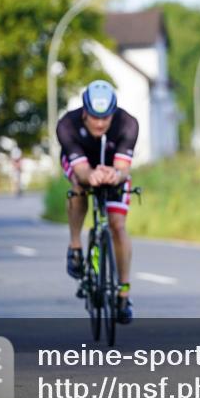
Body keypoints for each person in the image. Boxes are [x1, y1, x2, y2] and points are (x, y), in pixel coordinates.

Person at [57, 80, 139, 324]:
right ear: (85, 111)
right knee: (79, 188)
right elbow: (81, 170)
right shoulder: (66, 125)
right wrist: (89, 176)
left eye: (106, 118)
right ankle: (75, 247)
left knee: (117, 225)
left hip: (112, 168)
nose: (101, 123)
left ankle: (123, 293)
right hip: (81, 166)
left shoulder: (128, 124)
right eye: (95, 117)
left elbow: (124, 168)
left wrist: (115, 174)